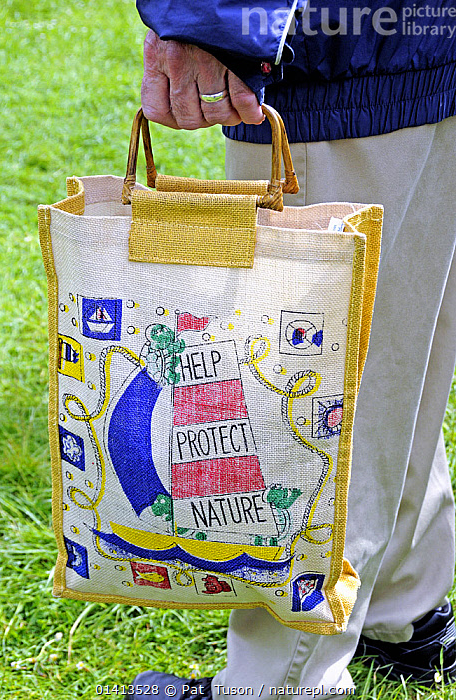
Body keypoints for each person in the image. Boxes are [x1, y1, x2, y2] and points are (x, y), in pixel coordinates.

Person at [127, 2, 456, 696]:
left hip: (324, 53)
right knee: (400, 352)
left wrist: (204, 21)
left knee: (301, 389)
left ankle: (280, 678)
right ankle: (401, 608)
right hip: (426, 42)